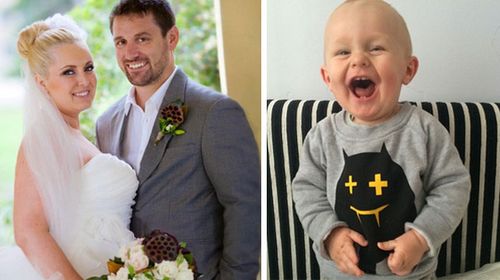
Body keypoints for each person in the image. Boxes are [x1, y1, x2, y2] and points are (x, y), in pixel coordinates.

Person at [292, 0, 471, 279]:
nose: (359, 59)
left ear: (408, 70)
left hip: (412, 274)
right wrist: (330, 233)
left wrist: (421, 238)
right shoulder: (320, 137)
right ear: (328, 78)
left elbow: (453, 187)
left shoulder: (423, 130)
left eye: (376, 48)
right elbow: (306, 192)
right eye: (342, 51)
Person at [95, 0, 260, 279]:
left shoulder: (215, 113)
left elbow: (246, 206)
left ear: (172, 38)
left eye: (142, 39)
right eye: (121, 42)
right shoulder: (106, 124)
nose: (130, 52)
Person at [0, 14, 138, 279]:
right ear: (42, 82)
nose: (84, 80)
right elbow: (29, 231)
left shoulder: (76, 135)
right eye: (68, 72)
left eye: (88, 67)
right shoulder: (45, 137)